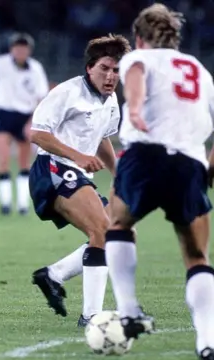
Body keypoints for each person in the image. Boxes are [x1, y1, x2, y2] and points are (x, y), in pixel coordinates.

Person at [106, 5, 214, 358]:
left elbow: (136, 70)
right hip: (190, 163)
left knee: (118, 222)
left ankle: (128, 309)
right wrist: (208, 169)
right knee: (197, 256)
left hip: (146, 153)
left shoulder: (139, 58)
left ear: (139, 37)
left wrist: (135, 107)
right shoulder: (199, 70)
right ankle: (207, 340)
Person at [28, 34, 131, 327]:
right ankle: (92, 317)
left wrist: (118, 173)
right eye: (105, 69)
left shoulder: (111, 100)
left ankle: (53, 275)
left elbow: (102, 139)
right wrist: (77, 156)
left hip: (77, 175)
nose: (111, 76)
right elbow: (38, 134)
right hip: (52, 170)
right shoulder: (67, 92)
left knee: (116, 235)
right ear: (90, 68)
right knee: (103, 227)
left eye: (116, 70)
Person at [0, 32, 50, 215]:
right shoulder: (1, 64)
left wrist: (32, 121)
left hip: (26, 115)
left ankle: (23, 204)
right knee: (2, 159)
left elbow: (42, 97)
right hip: (4, 114)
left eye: (24, 48)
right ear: (11, 49)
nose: (20, 51)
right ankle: (6, 203)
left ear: (29, 50)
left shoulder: (35, 69)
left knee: (24, 162)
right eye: (17, 47)